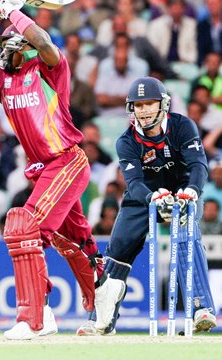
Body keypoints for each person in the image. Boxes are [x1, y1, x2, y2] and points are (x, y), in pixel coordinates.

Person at [0, 0, 125, 340]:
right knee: (72, 241)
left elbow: (43, 41)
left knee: (23, 226)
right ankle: (103, 293)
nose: (3, 53)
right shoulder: (4, 84)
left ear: (21, 49)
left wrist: (13, 11)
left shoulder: (50, 73)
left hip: (67, 161)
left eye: (9, 46)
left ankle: (36, 317)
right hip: (43, 170)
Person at [77, 76, 217, 336]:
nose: (144, 111)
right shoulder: (126, 141)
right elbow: (134, 182)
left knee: (186, 234)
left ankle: (201, 309)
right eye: (139, 105)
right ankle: (101, 320)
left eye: (149, 104)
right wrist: (152, 198)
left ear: (163, 105)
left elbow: (198, 165)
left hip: (182, 189)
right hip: (144, 196)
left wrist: (192, 191)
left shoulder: (182, 126)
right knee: (117, 248)